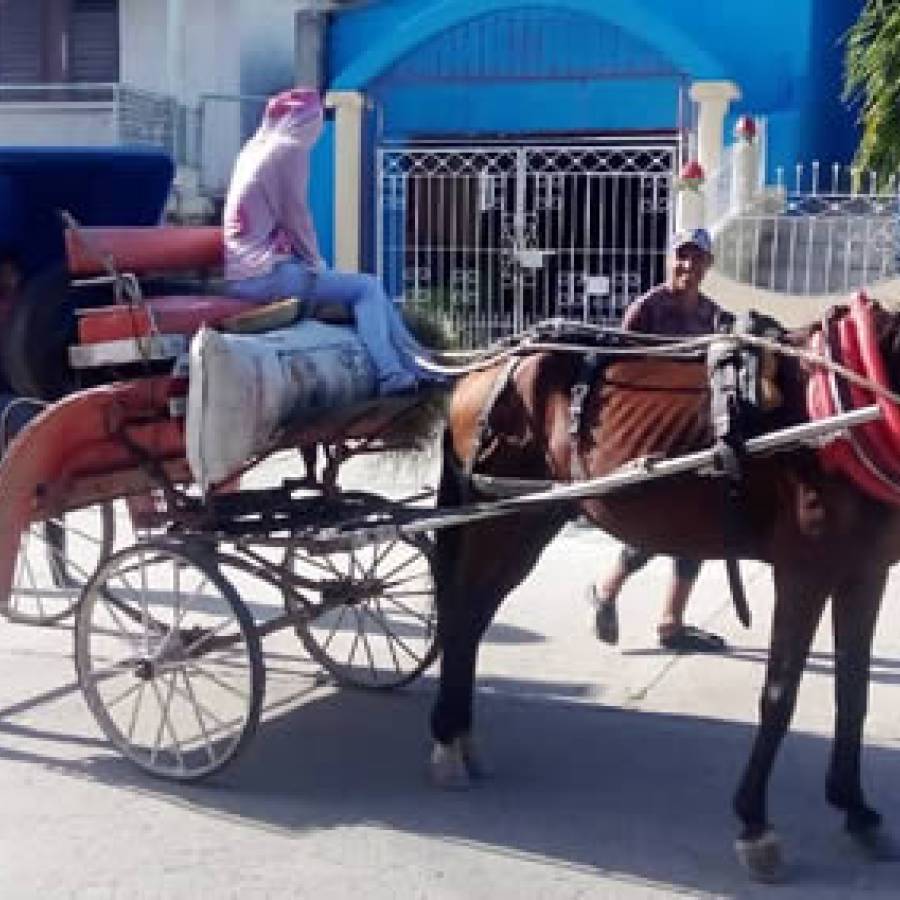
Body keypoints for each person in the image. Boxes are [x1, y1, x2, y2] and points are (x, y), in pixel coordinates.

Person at [223, 87, 429, 396]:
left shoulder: (254, 149)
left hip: (244, 271)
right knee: (367, 287)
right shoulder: (288, 150)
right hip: (265, 274)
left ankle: (417, 362)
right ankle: (391, 374)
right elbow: (297, 216)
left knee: (365, 286)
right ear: (308, 121)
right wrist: (316, 262)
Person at [587, 227, 730, 653]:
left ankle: (671, 622)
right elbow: (622, 374)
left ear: (708, 265)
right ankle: (606, 589)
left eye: (697, 258)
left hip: (695, 431)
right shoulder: (647, 309)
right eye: (681, 257)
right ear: (670, 259)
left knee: (699, 522)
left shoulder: (713, 315)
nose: (688, 265)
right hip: (651, 431)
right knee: (663, 521)